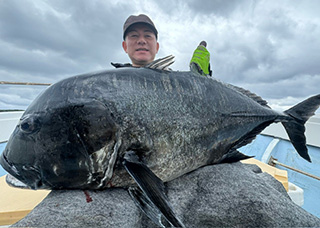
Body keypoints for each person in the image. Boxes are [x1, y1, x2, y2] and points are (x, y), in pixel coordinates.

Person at [112, 14, 212, 76]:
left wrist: (202, 81)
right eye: (134, 35)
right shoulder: (112, 82)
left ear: (157, 47)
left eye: (147, 35)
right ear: (125, 46)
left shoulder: (176, 82)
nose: (141, 41)